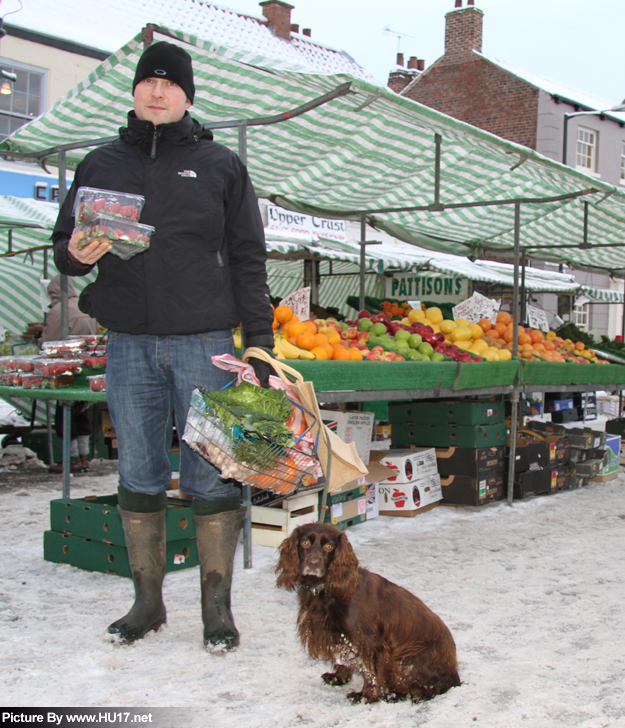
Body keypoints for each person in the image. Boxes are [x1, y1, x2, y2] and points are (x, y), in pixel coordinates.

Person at [52, 41, 274, 651]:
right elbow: (64, 246)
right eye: (147, 81)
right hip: (127, 343)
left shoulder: (220, 164)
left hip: (206, 343)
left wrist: (258, 342)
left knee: (211, 474)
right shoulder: (100, 163)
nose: (157, 91)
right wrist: (74, 253)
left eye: (169, 83)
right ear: (134, 92)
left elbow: (249, 260)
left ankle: (217, 610)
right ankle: (146, 603)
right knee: (138, 470)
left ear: (187, 94)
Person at [41, 275, 98, 473]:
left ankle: (71, 459)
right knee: (82, 411)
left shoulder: (59, 310)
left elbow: (49, 342)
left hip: (66, 367)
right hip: (89, 366)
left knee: (64, 412)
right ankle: (85, 457)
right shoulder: (83, 304)